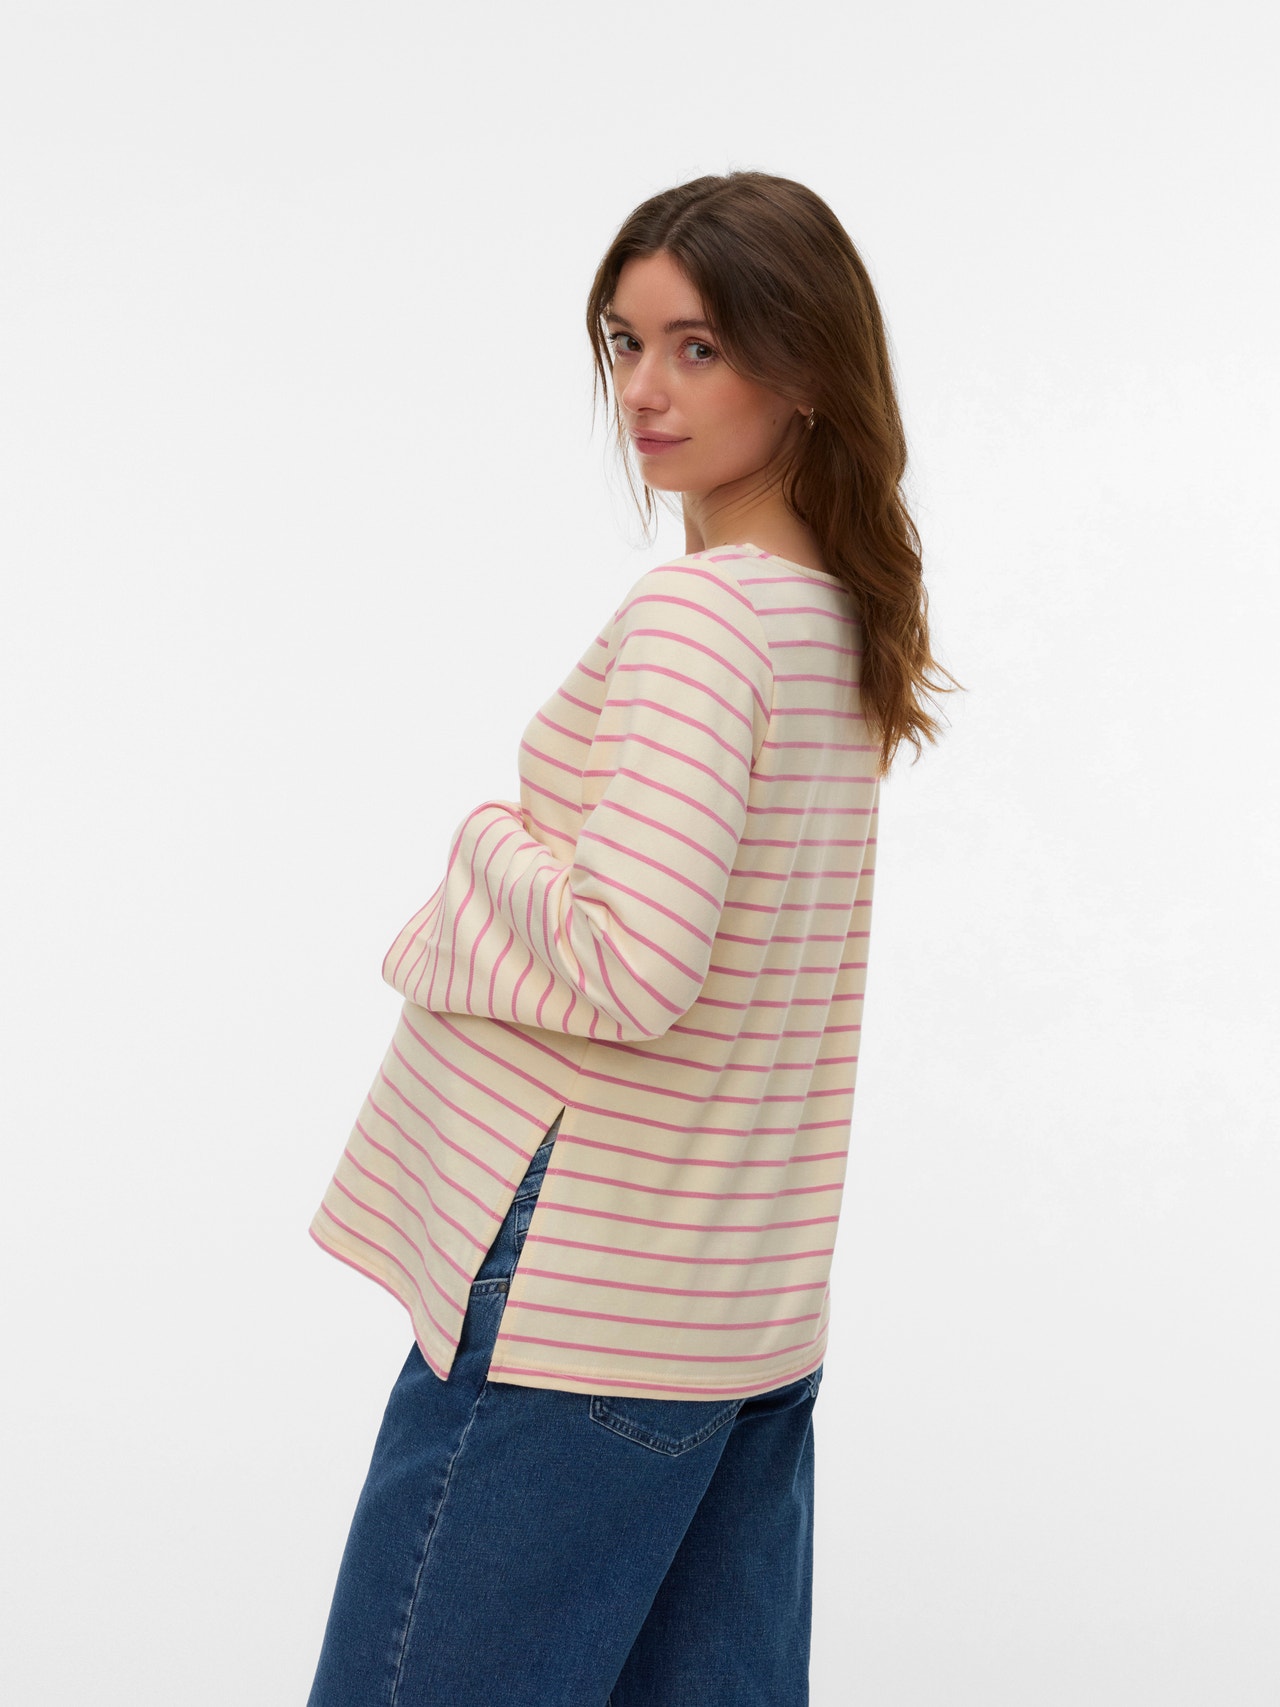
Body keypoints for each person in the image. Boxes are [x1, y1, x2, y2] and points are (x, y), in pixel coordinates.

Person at [304, 170, 959, 1707]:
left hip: (586, 1301)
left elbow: (629, 962)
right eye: (625, 343)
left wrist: (484, 847)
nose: (646, 392)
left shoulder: (704, 620)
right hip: (742, 1314)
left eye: (698, 348)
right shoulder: (835, 625)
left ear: (805, 369)